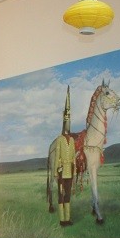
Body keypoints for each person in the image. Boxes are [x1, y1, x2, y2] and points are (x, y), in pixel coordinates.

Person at [52, 85, 77, 228]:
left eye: (69, 122)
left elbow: (73, 157)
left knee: (68, 195)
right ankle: (62, 220)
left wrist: (75, 171)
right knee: (61, 194)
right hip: (61, 171)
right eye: (66, 122)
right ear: (63, 123)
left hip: (70, 171)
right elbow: (57, 156)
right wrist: (56, 172)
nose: (68, 124)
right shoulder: (59, 139)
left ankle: (68, 219)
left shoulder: (72, 140)